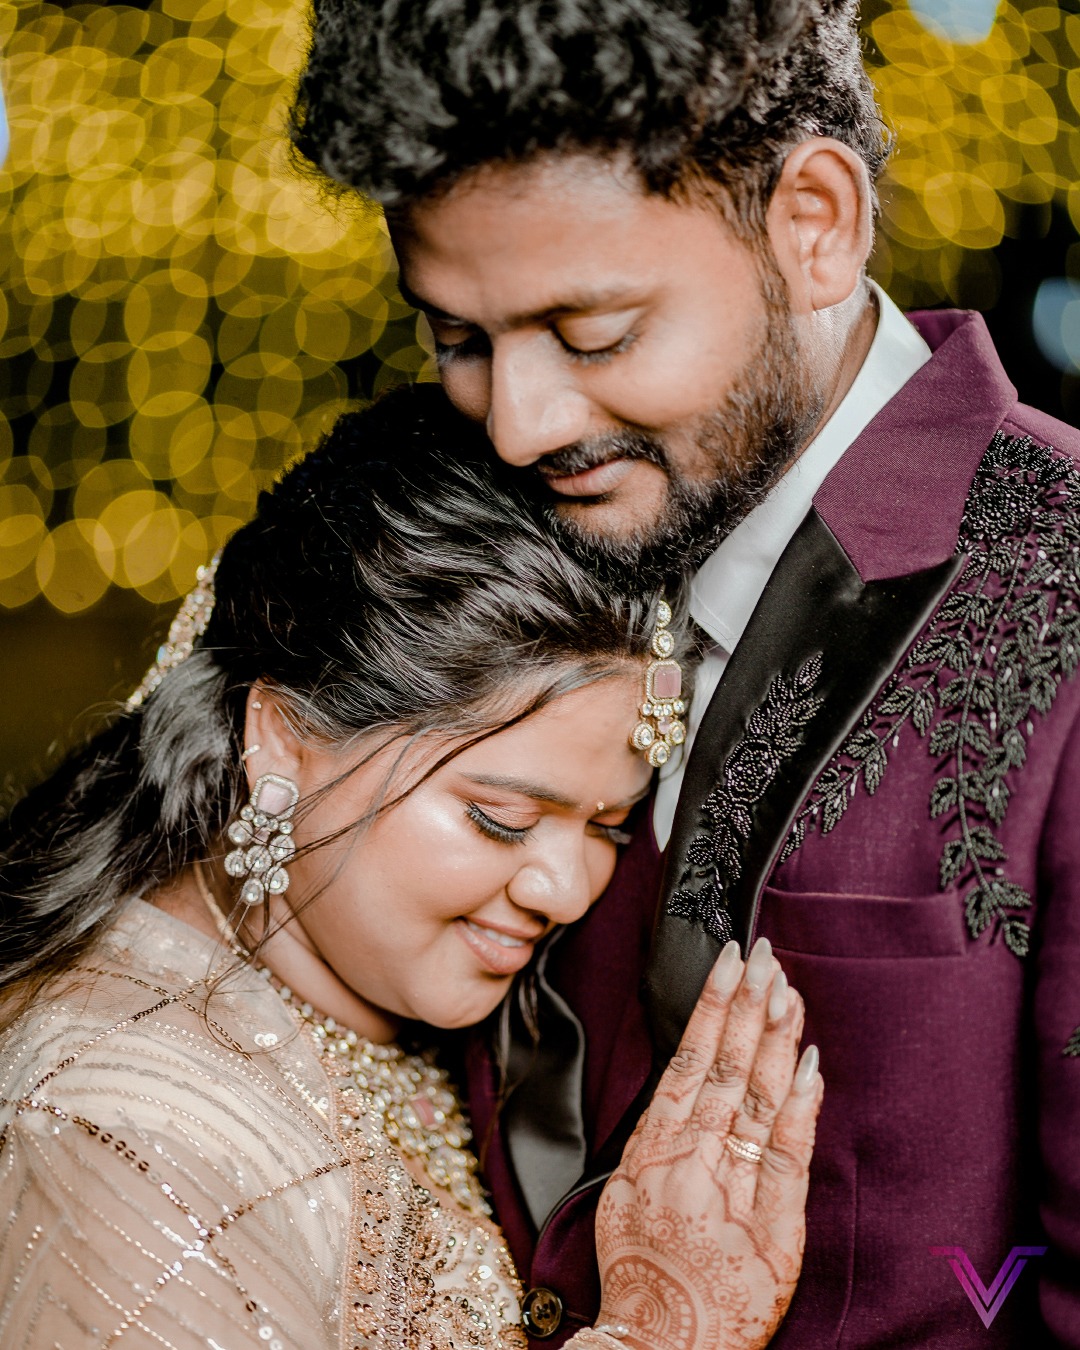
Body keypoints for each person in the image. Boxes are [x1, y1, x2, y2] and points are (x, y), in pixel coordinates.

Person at [288, 1, 1080, 1345]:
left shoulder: (1059, 589)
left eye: (594, 333)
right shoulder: (496, 540)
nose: (520, 424)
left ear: (815, 222)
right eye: (460, 340)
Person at [0, 388, 823, 1349]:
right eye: (501, 818)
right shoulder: (119, 1124)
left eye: (609, 825)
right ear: (281, 740)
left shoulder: (394, 1009)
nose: (567, 890)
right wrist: (661, 1329)